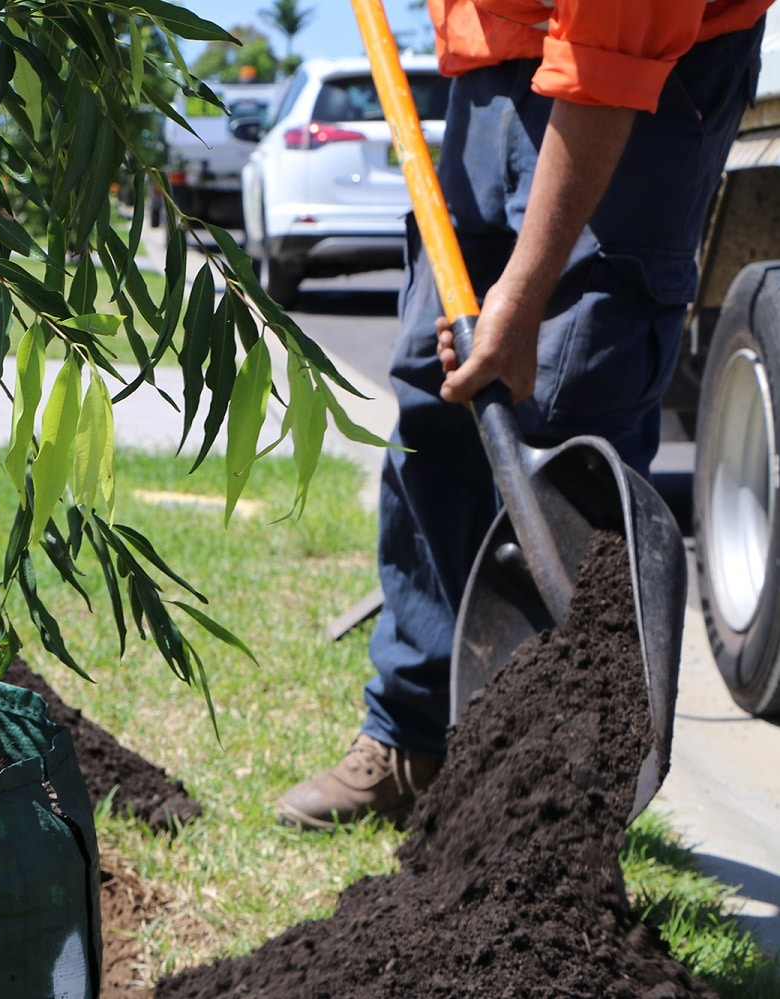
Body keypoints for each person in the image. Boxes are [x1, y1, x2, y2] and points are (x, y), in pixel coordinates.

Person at [277, 0, 773, 829]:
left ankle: (558, 803)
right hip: (494, 54)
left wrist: (525, 288)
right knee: (436, 388)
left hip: (649, 72)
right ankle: (412, 735)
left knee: (573, 395)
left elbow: (613, 48)